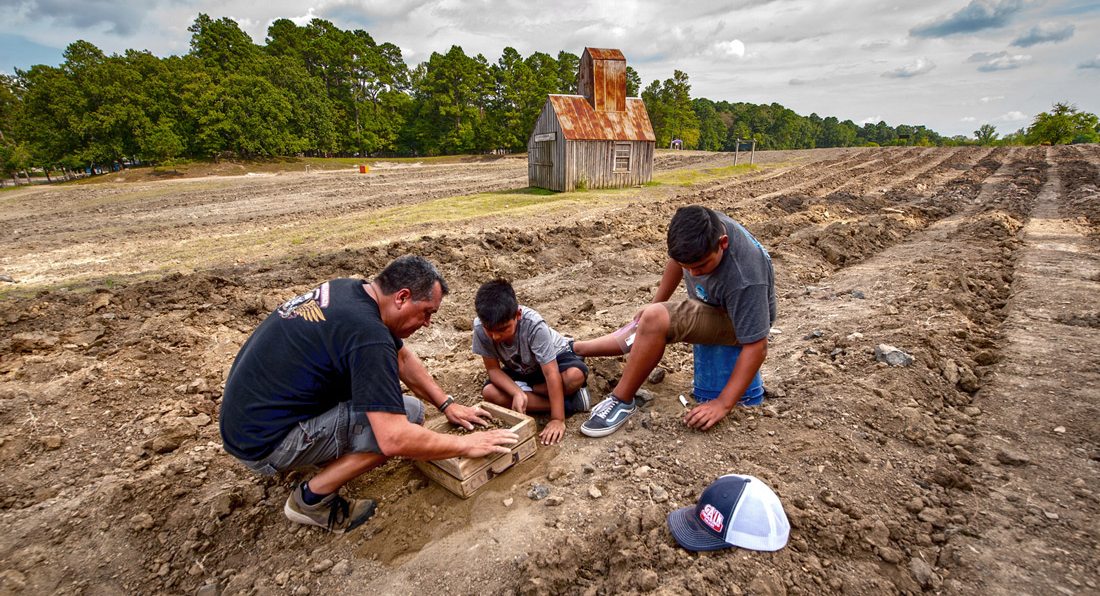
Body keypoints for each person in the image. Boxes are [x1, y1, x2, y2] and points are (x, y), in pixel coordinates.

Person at [219, 256, 518, 533]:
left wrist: (446, 404)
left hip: (248, 424)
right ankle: (311, 499)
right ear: (401, 297)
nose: (427, 324)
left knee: (397, 408)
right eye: (427, 313)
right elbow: (394, 438)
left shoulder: (351, 291)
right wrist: (465, 445)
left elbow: (402, 360)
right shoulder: (368, 335)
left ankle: (320, 453)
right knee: (408, 418)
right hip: (266, 444)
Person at [574, 205, 776, 437]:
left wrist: (723, 404)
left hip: (738, 322)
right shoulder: (700, 230)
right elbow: (677, 262)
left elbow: (757, 346)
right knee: (646, 321)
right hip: (714, 303)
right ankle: (575, 348)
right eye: (687, 267)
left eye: (701, 266)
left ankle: (621, 400)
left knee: (654, 320)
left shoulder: (746, 279)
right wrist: (656, 302)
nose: (694, 273)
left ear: (723, 243)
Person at [473, 279, 591, 446]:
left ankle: (544, 397)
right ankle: (571, 403)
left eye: (503, 329)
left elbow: (551, 373)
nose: (495, 337)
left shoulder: (534, 325)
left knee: (574, 376)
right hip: (522, 370)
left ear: (518, 315)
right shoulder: (479, 328)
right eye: (489, 330)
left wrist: (557, 419)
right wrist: (516, 393)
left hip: (554, 361)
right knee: (490, 393)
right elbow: (493, 370)